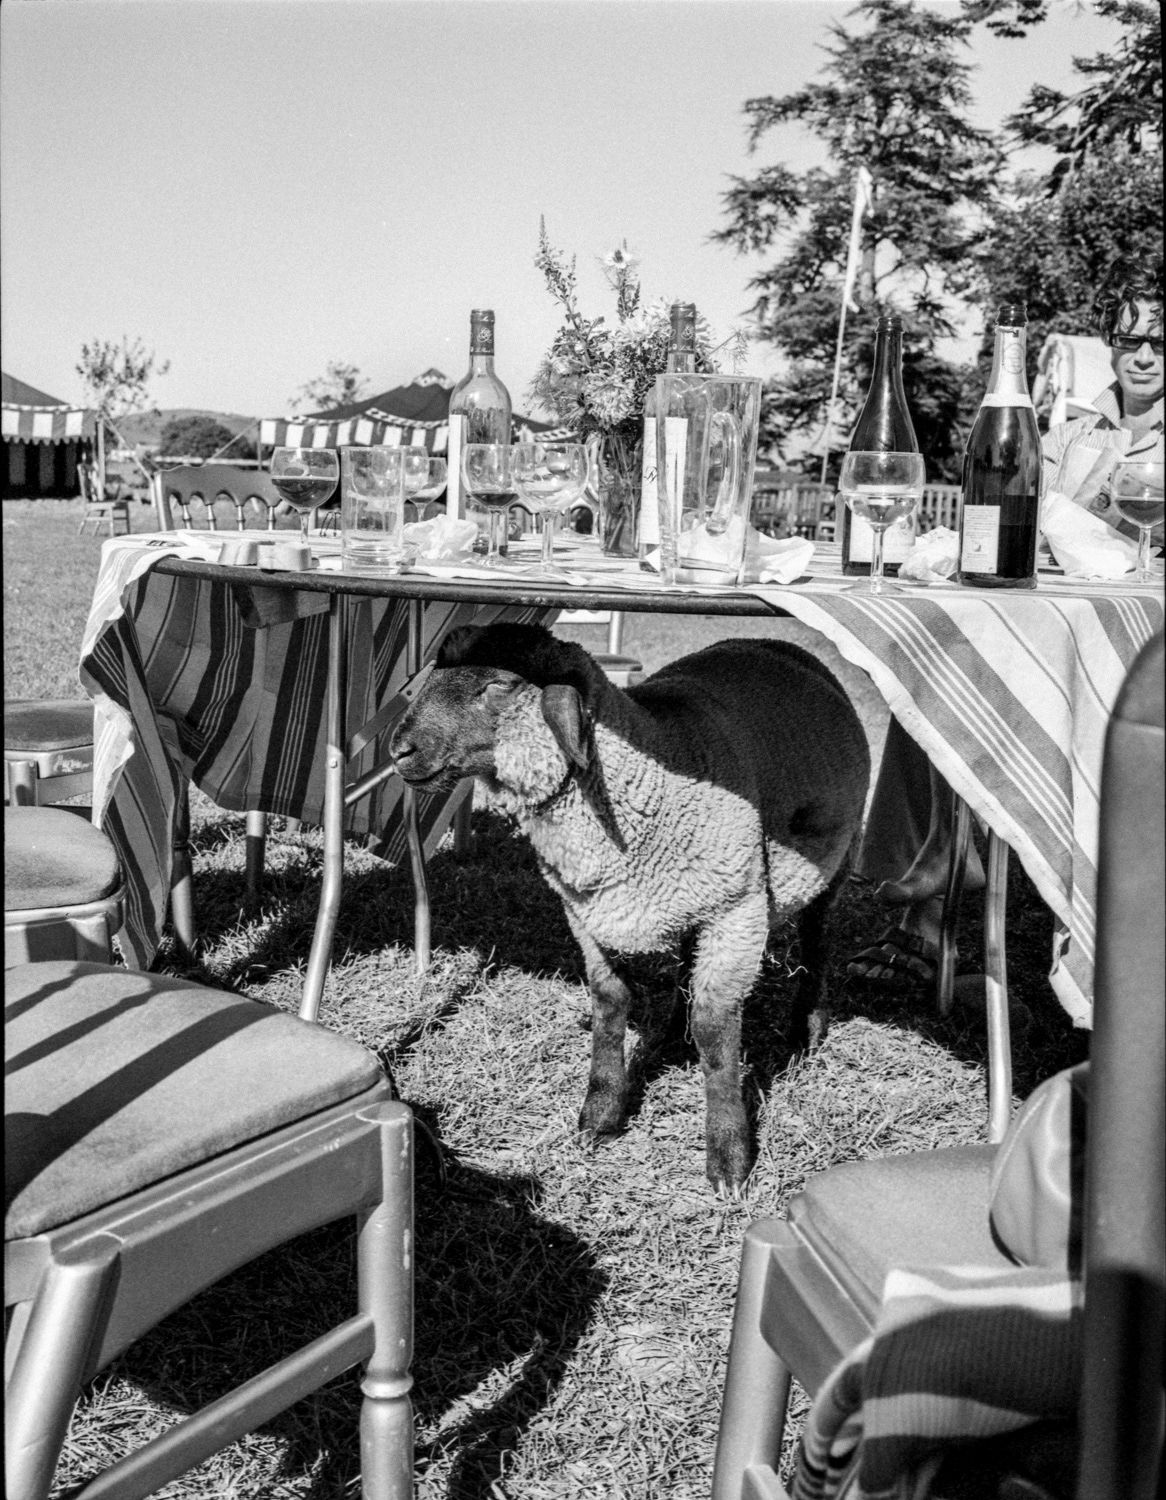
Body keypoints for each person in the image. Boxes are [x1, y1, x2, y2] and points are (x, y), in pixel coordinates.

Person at [847, 257, 1163, 990]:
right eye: (1130, 339)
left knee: (993, 675)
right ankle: (932, 882)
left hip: (1130, 637)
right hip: (1044, 614)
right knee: (938, 670)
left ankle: (943, 883)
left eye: (1160, 341)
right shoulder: (1068, 428)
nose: (1144, 355)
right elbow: (1021, 504)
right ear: (1111, 346)